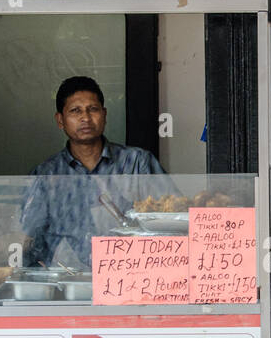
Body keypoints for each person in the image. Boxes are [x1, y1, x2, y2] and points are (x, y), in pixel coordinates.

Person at [20, 76, 167, 267]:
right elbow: (28, 237)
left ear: (104, 114)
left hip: (131, 276)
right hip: (66, 282)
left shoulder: (137, 163)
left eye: (93, 109)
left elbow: (169, 220)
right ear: (60, 120)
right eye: (75, 111)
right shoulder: (47, 175)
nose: (85, 118)